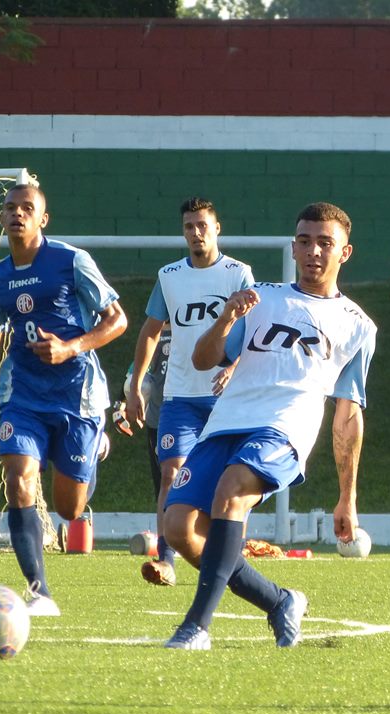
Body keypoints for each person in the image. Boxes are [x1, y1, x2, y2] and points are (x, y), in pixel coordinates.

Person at [161, 201, 376, 650]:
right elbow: (203, 361)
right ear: (293, 248)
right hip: (226, 423)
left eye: (325, 243)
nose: (313, 251)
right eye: (304, 241)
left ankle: (196, 627)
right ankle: (279, 601)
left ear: (345, 252)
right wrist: (226, 318)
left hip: (283, 429)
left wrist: (347, 496)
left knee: (232, 492)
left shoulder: (357, 325)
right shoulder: (259, 298)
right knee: (178, 528)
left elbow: (349, 413)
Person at [0, 182, 127, 616]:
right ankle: (39, 592)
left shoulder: (71, 261)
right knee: (19, 481)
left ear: (42, 219)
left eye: (27, 208)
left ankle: (94, 446)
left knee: (70, 508)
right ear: (2, 216)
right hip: (23, 395)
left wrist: (71, 347)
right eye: (11, 208)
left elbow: (117, 320)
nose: (18, 214)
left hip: (76, 395)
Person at [124, 197, 254, 587]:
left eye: (202, 225)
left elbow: (256, 329)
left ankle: (227, 553)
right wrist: (136, 387)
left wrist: (232, 368)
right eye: (188, 227)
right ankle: (166, 560)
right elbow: (150, 332)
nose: (196, 233)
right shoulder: (170, 276)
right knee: (171, 473)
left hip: (226, 399)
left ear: (217, 229)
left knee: (228, 483)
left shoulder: (238, 273)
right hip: (180, 396)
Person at [115, 323, 172, 502]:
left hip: (196, 414)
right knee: (166, 482)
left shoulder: (195, 329)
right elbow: (136, 379)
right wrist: (121, 405)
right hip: (160, 419)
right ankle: (167, 530)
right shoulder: (154, 335)